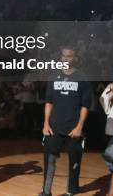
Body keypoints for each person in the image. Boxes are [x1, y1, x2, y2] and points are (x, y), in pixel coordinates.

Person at [39, 46, 92, 196]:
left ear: (75, 58)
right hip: (53, 127)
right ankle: (46, 191)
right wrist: (45, 123)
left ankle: (71, 191)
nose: (66, 59)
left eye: (69, 56)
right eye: (64, 56)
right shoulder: (53, 76)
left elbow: (85, 106)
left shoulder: (83, 78)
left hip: (73, 128)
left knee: (74, 162)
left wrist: (79, 127)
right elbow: (49, 102)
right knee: (49, 160)